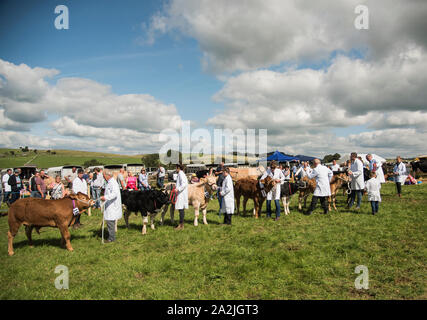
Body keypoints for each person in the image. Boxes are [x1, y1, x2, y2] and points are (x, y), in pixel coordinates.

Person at [100, 169, 122, 243]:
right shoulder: (109, 182)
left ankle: (111, 238)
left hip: (112, 206)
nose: (103, 177)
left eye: (104, 175)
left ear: (107, 175)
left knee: (110, 221)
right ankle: (111, 237)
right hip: (110, 205)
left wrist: (105, 197)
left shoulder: (113, 183)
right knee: (109, 221)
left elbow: (114, 194)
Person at [175, 164, 188, 230]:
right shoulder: (182, 173)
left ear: (178, 168)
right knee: (181, 209)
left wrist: (178, 189)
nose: (175, 169)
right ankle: (181, 224)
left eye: (176, 168)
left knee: (181, 209)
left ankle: (181, 225)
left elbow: (184, 184)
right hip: (181, 194)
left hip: (181, 194)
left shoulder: (180, 173)